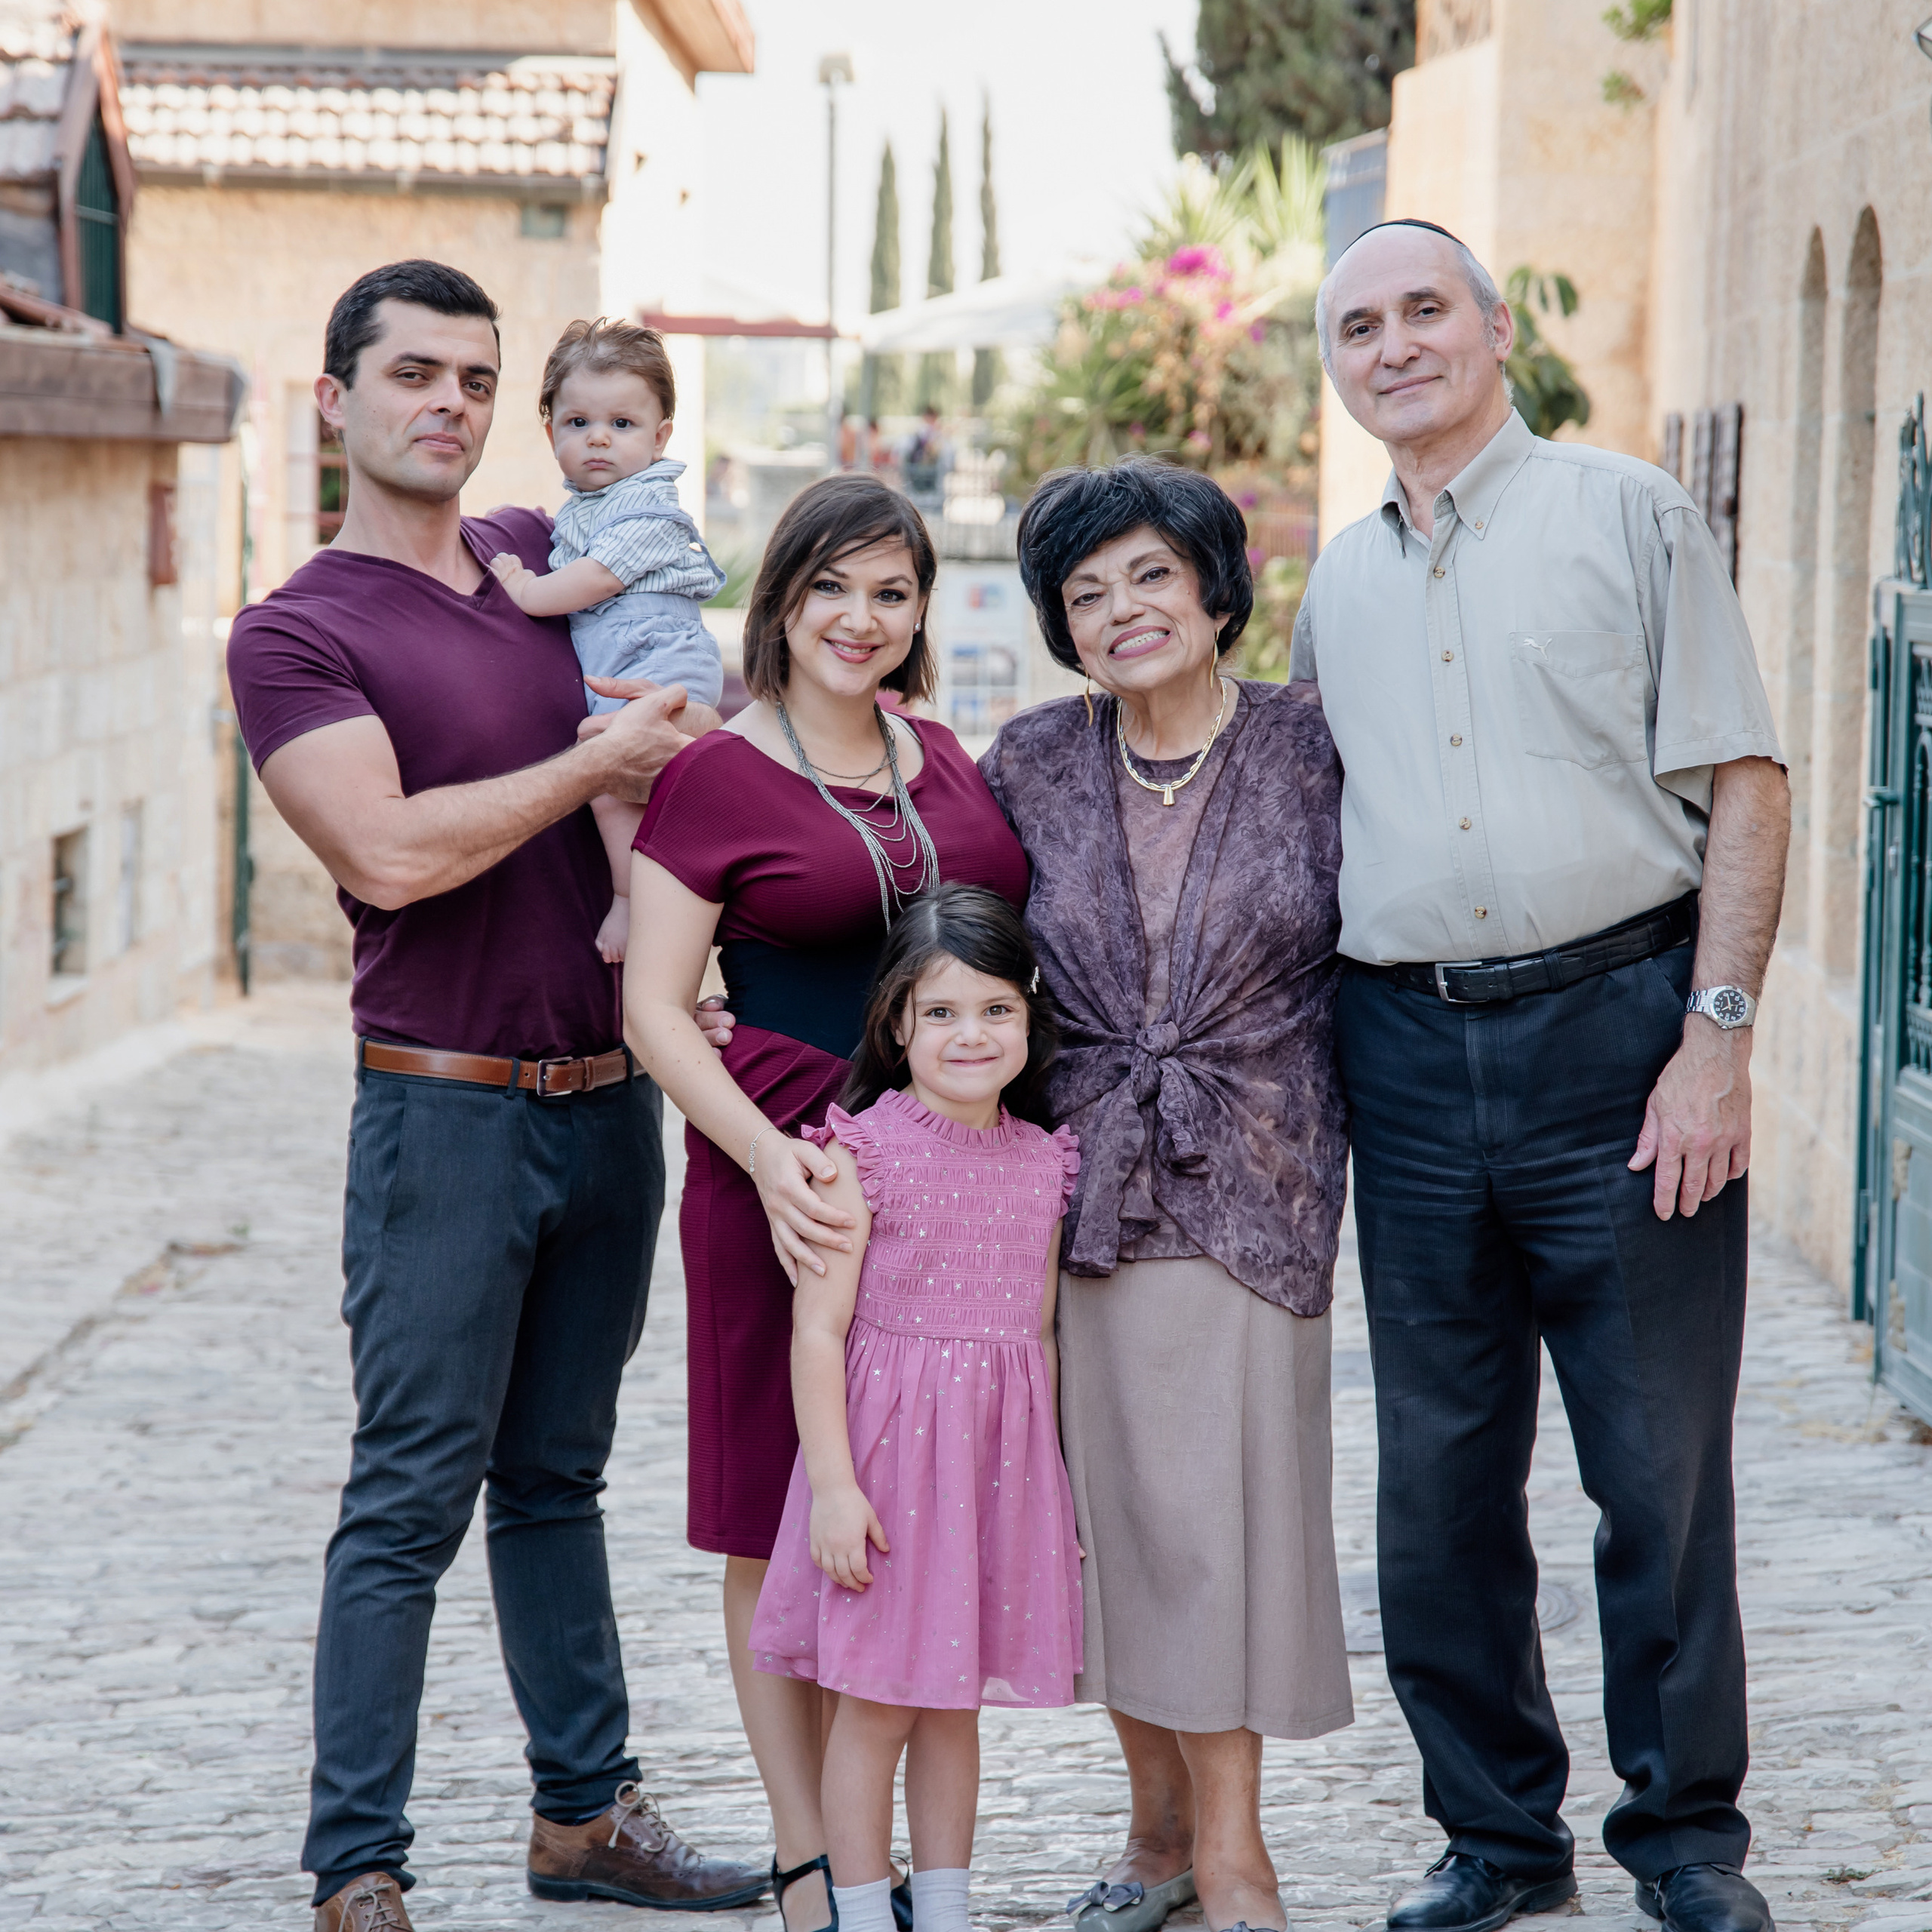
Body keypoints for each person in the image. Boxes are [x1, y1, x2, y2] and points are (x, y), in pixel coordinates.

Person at [226, 258, 752, 1932]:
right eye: (412, 375)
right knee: (408, 1490)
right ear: (336, 400)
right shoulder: (298, 629)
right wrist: (599, 764)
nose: (445, 403)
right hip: (444, 1112)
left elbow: (703, 673)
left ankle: (584, 1815)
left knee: (559, 1479)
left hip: (611, 1099)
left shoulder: (546, 554)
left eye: (473, 378)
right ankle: (357, 1864)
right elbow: (385, 851)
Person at [1297, 217, 1791, 1932]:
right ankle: (1496, 1836)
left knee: (1652, 1463)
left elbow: (1741, 777)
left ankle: (1683, 1838)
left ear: (1493, 329)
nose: (1392, 345)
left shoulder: (1625, 513)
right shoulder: (1330, 580)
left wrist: (1712, 1038)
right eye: (1356, 326)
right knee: (1433, 1474)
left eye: (1421, 308)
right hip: (1406, 1052)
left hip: (1620, 1031)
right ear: (1336, 366)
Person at [623, 473, 1031, 1932]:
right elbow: (658, 1007)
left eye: (893, 591)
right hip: (783, 1178)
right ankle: (811, 1857)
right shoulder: (715, 773)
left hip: (952, 1180)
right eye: (833, 589)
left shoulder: (941, 751)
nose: (862, 620)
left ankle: (903, 1852)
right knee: (771, 1510)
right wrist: (763, 1154)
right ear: (783, 600)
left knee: (913, 1504)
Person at [749, 884, 1084, 1932]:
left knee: (953, 1708)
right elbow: (816, 1332)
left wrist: (1049, 1496)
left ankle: (942, 1912)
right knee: (879, 1707)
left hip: (990, 1476)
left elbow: (1036, 1337)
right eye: (941, 1013)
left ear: (1031, 1020)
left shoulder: (1043, 1160)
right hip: (888, 1477)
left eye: (995, 1010)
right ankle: (856, 1913)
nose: (970, 1035)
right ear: (898, 1024)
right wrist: (835, 1492)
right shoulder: (865, 1155)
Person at [490, 317, 726, 963]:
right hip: (624, 659)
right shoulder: (580, 508)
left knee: (606, 777)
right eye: (577, 424)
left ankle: (630, 903)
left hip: (658, 658)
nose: (598, 439)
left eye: (622, 425)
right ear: (551, 433)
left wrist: (527, 589)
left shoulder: (651, 507)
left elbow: (596, 579)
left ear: (660, 436)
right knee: (624, 783)